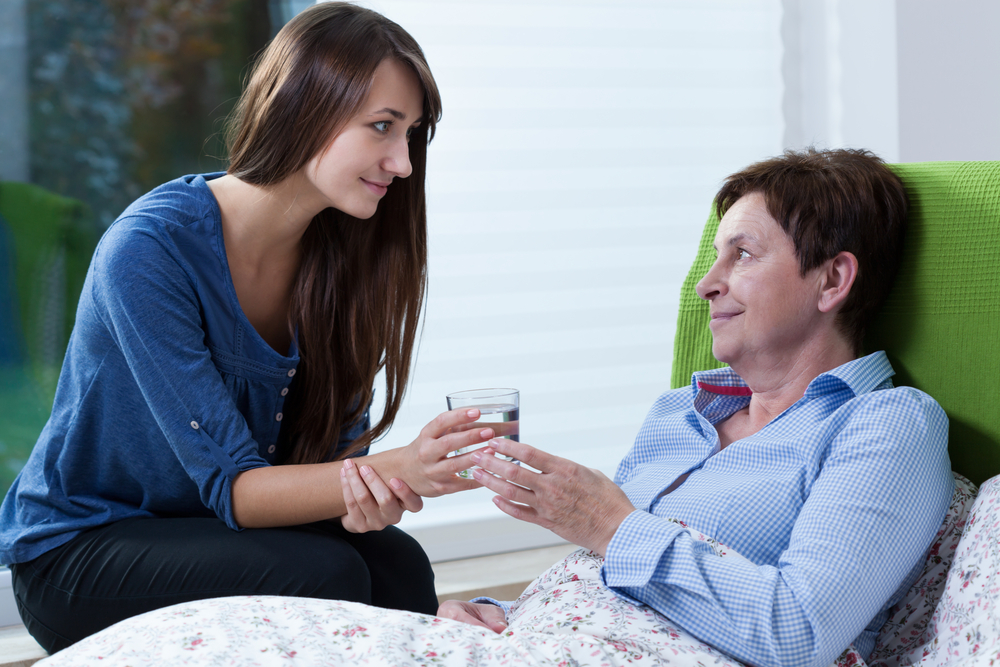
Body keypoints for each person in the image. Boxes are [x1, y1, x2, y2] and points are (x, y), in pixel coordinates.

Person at [0, 2, 493, 654]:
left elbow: (326, 473)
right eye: (382, 127)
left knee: (399, 565)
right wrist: (404, 464)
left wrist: (368, 494)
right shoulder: (151, 249)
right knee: (327, 572)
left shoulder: (346, 262)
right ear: (304, 108)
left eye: (411, 134)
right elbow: (234, 488)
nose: (402, 163)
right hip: (83, 553)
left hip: (217, 535)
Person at [439, 148, 954, 667]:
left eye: (744, 254)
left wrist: (609, 524)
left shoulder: (886, 424)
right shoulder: (677, 414)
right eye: (715, 257)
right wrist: (498, 614)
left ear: (832, 280)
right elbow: (613, 589)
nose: (707, 285)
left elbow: (798, 633)